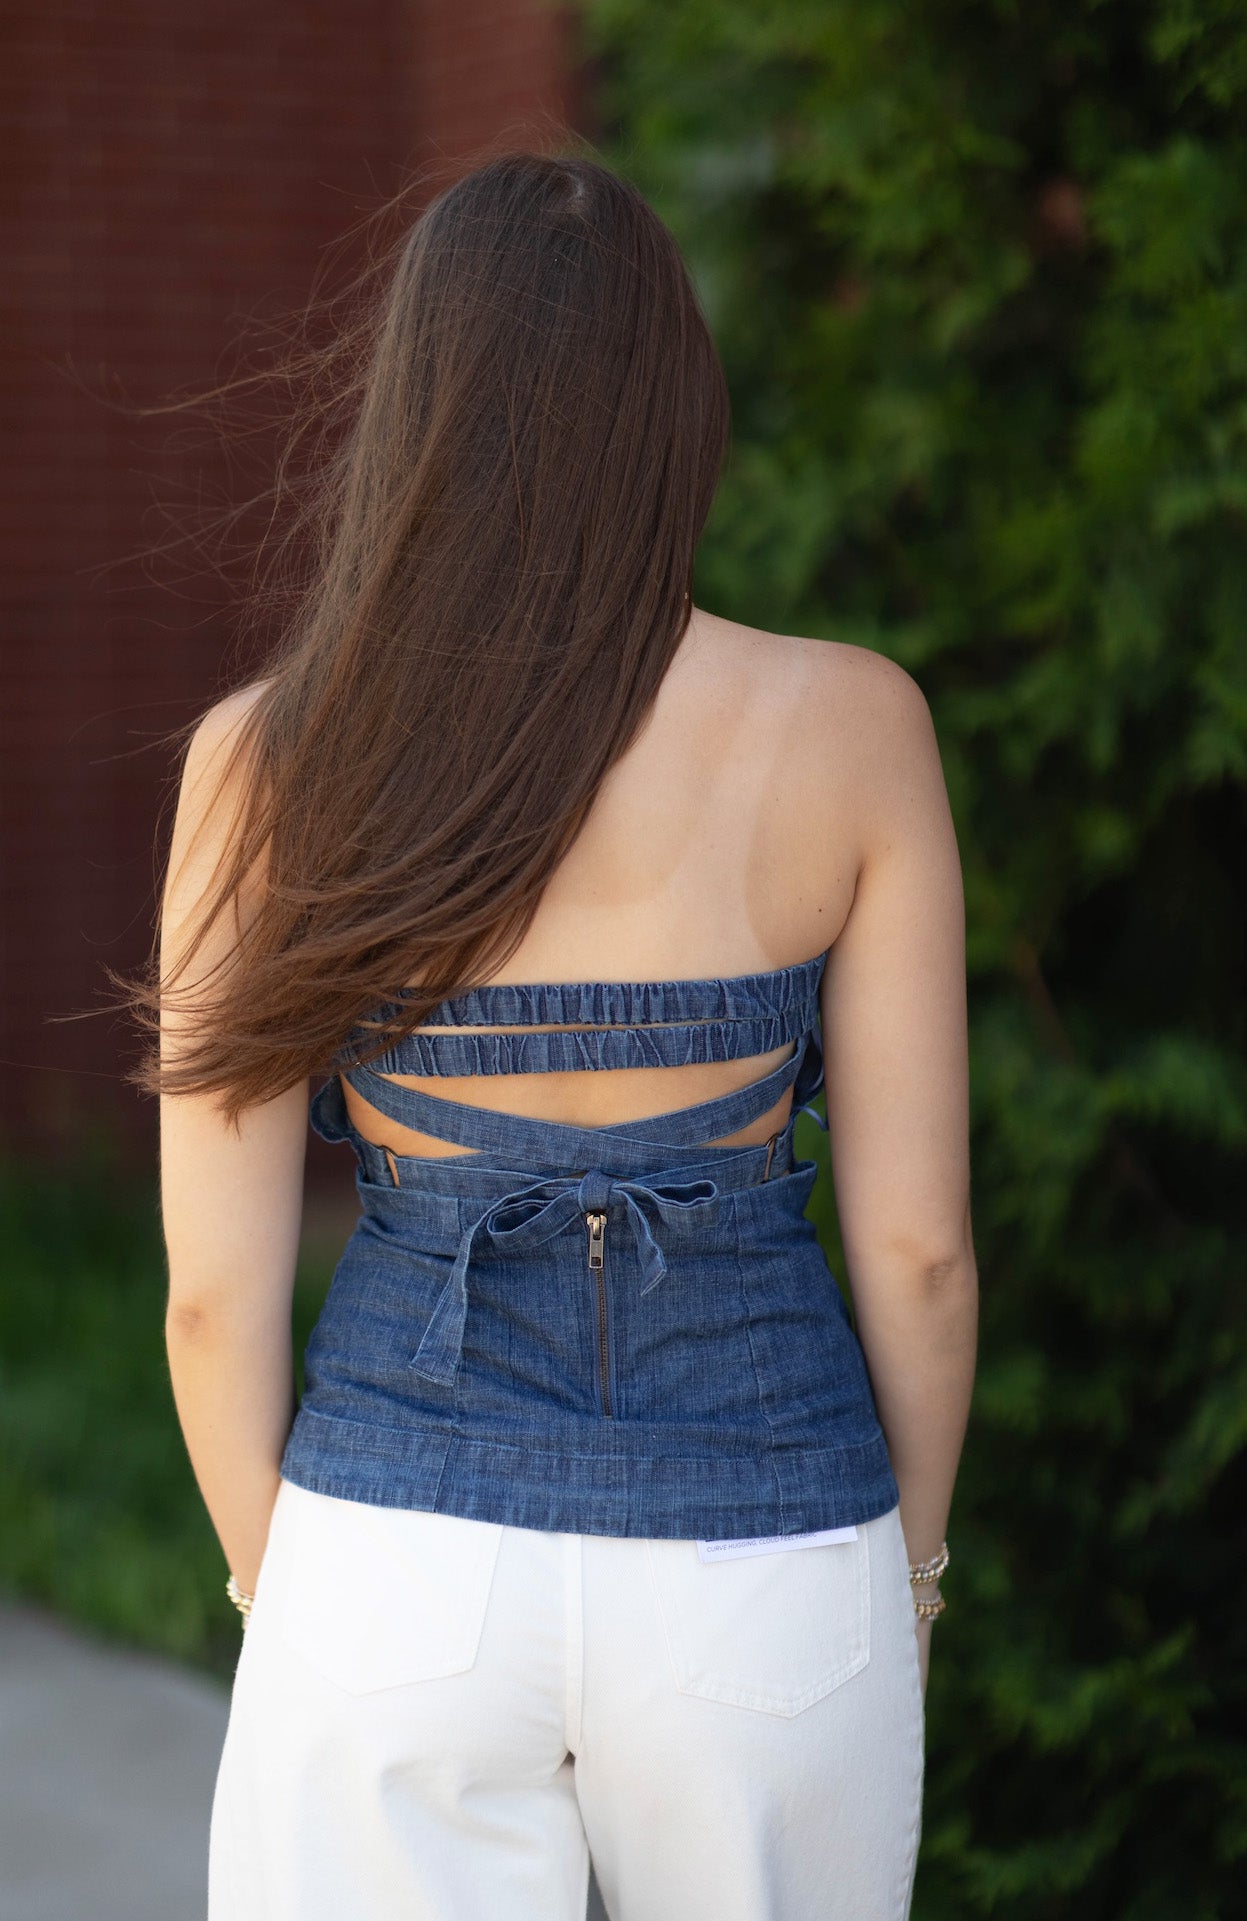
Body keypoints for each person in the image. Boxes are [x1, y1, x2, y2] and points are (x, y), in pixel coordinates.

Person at [146, 146, 978, 1921]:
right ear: (680, 409)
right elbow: (918, 1252)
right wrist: (904, 1575)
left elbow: (211, 1299)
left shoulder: (266, 760)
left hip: (395, 1552)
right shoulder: (854, 726)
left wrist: (290, 1600)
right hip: (766, 1552)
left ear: (417, 410)